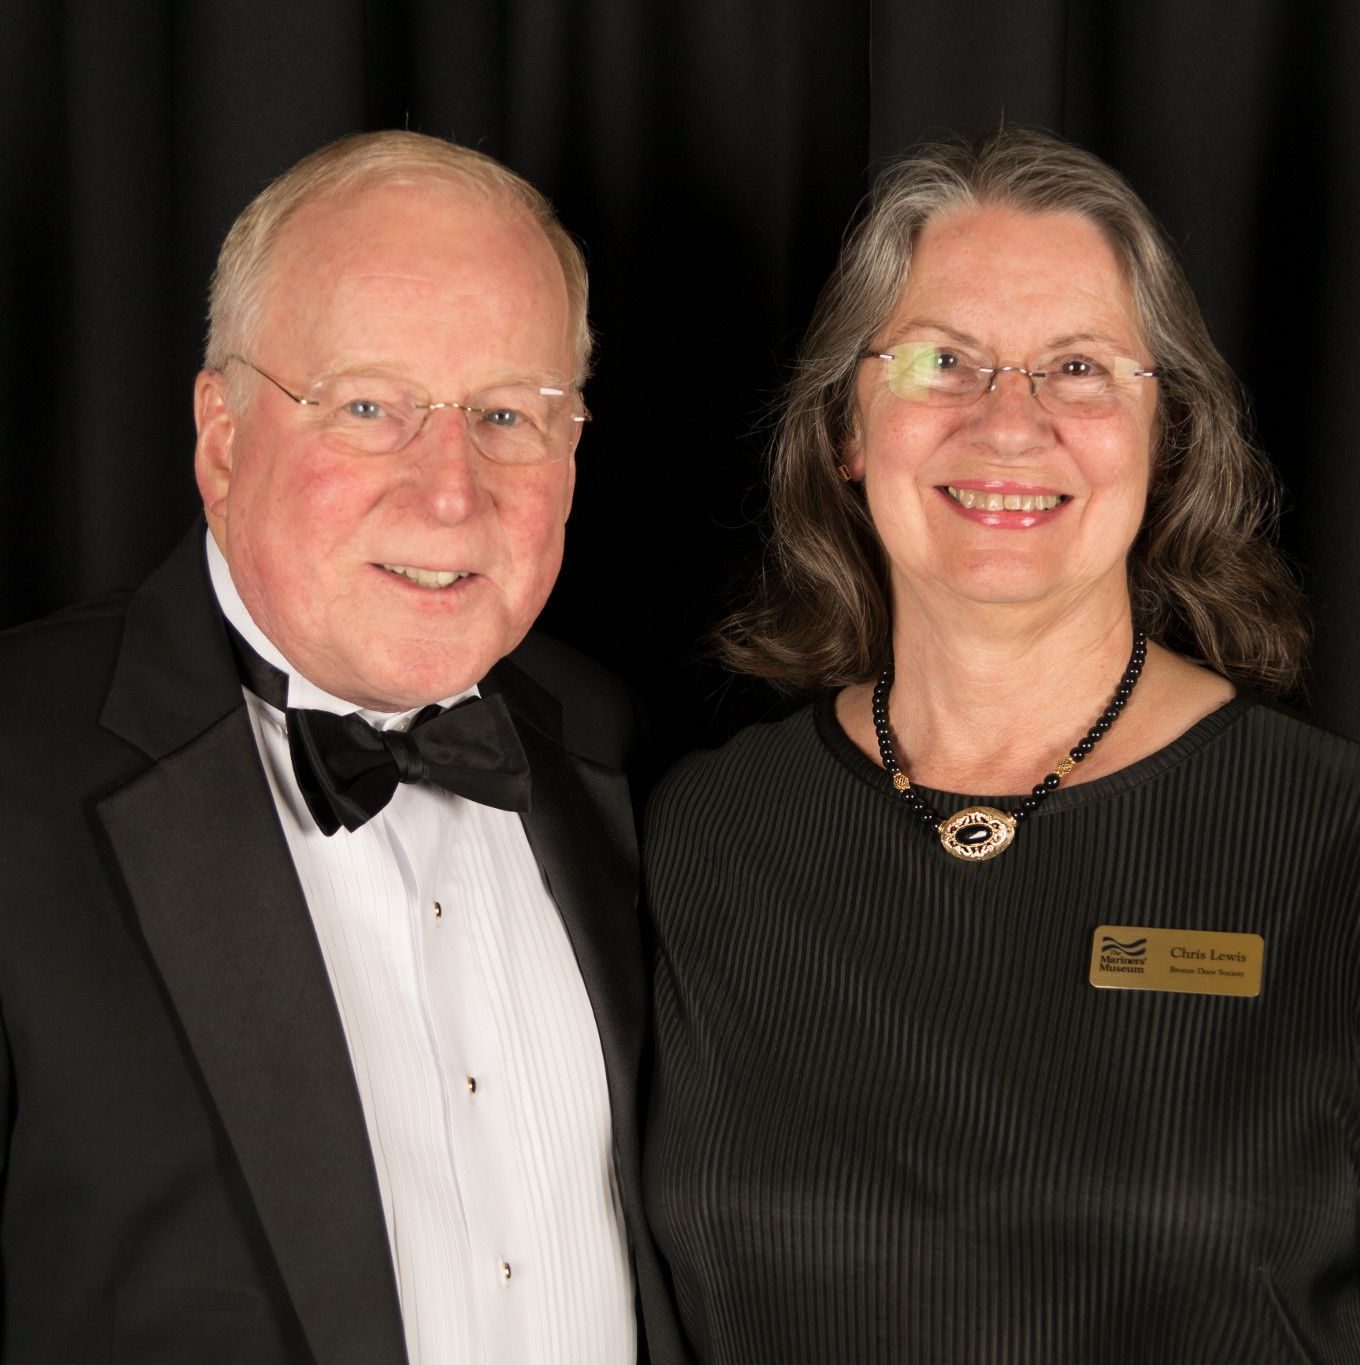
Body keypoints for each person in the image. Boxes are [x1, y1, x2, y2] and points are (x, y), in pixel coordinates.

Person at [644, 128, 1360, 1363]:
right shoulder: (701, 835)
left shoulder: (1330, 842)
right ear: (846, 430)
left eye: (1077, 368)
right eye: (941, 362)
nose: (1009, 424)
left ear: (1168, 434)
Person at [0, 131, 685, 1365]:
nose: (448, 491)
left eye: (507, 416)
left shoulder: (615, 745)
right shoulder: (13, 764)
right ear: (222, 438)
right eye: (370, 407)